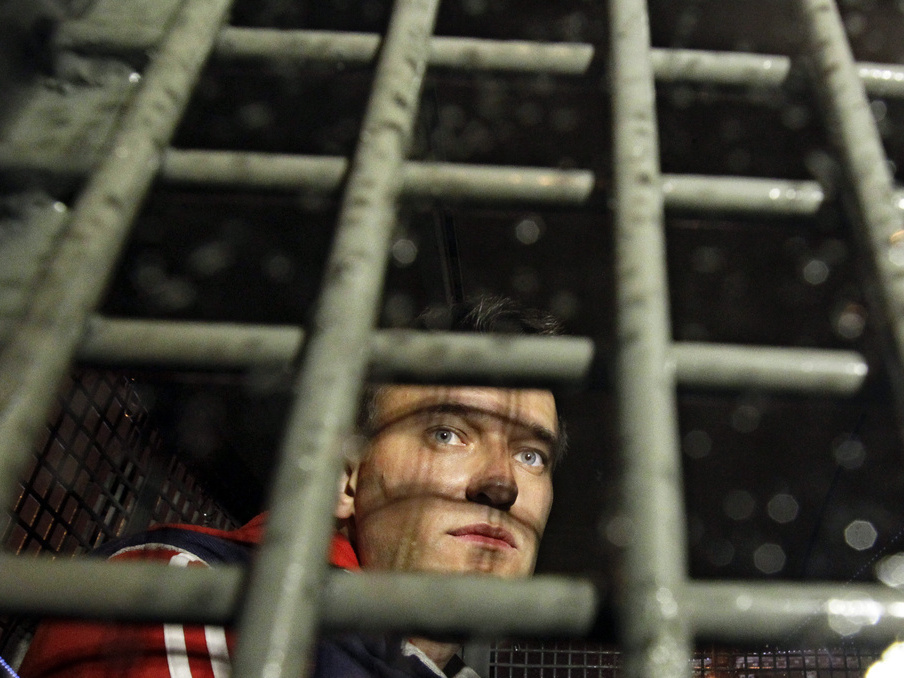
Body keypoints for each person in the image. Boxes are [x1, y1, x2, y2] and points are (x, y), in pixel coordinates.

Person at [18, 296, 566, 678]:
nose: (502, 483)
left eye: (531, 454)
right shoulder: (186, 594)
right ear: (345, 480)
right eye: (447, 434)